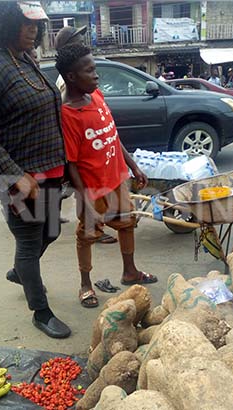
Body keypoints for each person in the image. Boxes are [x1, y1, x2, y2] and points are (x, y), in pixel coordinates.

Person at [0, 1, 71, 339]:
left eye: (36, 24)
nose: (32, 29)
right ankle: (41, 310)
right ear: (1, 23)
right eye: (24, 23)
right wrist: (11, 173)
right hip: (20, 178)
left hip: (49, 172)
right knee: (28, 241)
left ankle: (22, 271)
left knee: (51, 232)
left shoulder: (22, 58)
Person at [56, 43, 158, 308]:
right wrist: (87, 201)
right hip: (93, 188)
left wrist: (132, 164)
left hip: (117, 178)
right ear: (71, 77)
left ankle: (130, 271)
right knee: (88, 233)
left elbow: (111, 133)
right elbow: (72, 163)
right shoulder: (68, 113)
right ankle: (86, 285)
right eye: (89, 71)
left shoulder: (96, 95)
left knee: (127, 223)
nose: (96, 75)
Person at [53, 25, 118, 243]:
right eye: (78, 40)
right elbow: (70, 121)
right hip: (84, 156)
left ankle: (92, 225)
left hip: (95, 152)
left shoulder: (86, 80)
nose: (83, 42)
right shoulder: (67, 83)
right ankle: (92, 228)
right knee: (85, 196)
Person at [53, 25, 87, 94]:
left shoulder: (77, 75)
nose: (84, 46)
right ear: (68, 48)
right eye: (80, 43)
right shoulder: (67, 83)